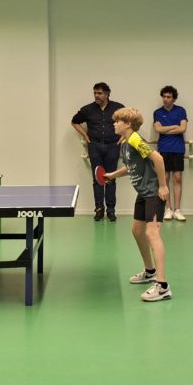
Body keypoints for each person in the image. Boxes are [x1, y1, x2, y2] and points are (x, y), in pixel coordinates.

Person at [104, 107, 171, 302]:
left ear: (128, 124)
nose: (114, 124)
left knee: (152, 234)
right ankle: (150, 271)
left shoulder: (134, 139)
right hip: (143, 193)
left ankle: (162, 286)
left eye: (117, 121)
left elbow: (158, 158)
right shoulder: (125, 143)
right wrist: (113, 175)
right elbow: (130, 166)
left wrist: (163, 186)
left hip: (153, 194)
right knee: (137, 230)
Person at [71, 82, 124, 221]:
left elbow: (130, 122)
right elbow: (74, 122)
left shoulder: (118, 108)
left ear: (107, 94)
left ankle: (111, 210)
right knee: (98, 179)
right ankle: (99, 209)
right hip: (94, 146)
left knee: (111, 178)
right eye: (95, 93)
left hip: (113, 146)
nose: (96, 95)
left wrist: (123, 137)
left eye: (99, 93)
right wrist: (85, 135)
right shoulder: (87, 109)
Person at [153, 85, 187, 221]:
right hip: (164, 148)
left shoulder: (181, 110)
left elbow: (182, 129)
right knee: (165, 178)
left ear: (174, 99)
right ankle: (168, 209)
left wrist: (165, 129)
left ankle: (177, 210)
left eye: (169, 97)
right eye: (164, 96)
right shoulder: (157, 112)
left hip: (178, 148)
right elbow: (158, 129)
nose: (166, 99)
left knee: (177, 178)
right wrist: (174, 126)